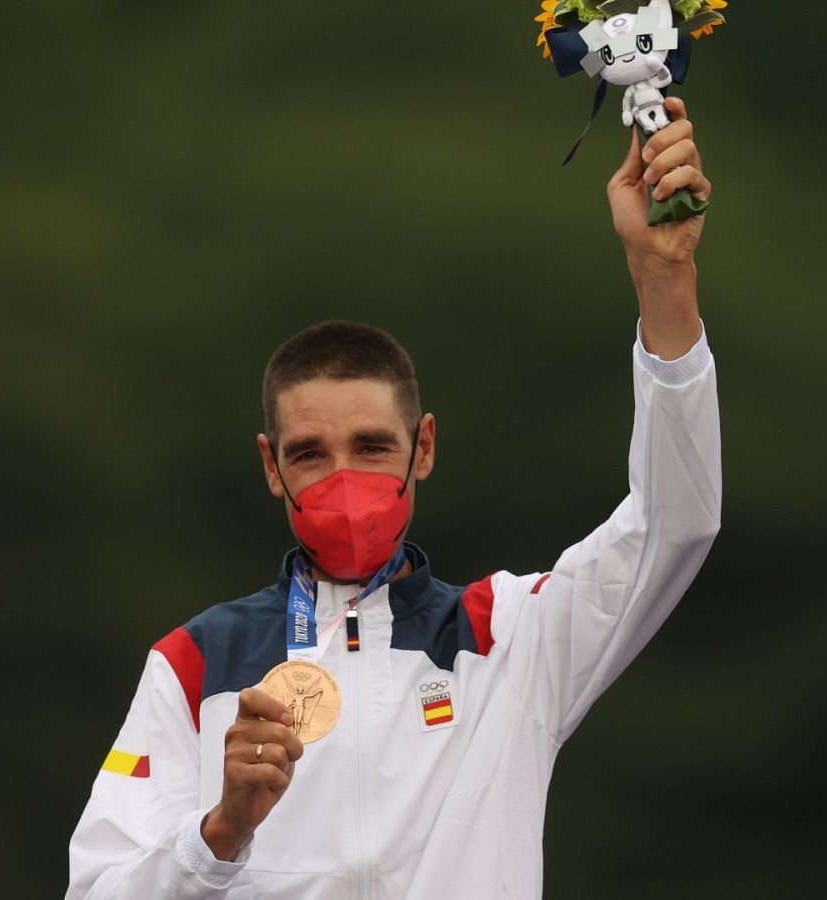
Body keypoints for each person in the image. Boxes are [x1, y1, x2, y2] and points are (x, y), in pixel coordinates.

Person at [66, 97, 722, 899]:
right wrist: (221, 834)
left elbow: (675, 521)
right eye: (312, 455)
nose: (345, 481)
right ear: (272, 467)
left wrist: (664, 276)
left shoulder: (511, 640)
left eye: (373, 448)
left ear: (425, 449)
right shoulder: (196, 665)